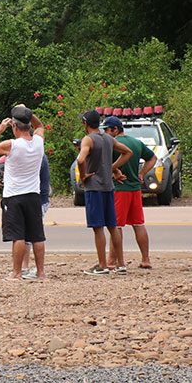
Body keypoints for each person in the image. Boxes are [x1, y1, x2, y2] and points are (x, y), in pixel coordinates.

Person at [0, 106, 47, 281]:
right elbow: (40, 126)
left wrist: (0, 129)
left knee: (18, 236)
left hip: (14, 196)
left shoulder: (11, 145)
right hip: (33, 194)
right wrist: (27, 113)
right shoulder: (39, 141)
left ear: (15, 126)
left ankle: (17, 273)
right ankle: (41, 272)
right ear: (28, 126)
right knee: (37, 236)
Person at [76, 110, 132, 276]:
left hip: (94, 187)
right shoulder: (108, 138)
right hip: (108, 186)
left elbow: (80, 159)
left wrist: (83, 175)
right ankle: (121, 264)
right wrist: (112, 168)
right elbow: (128, 152)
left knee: (98, 227)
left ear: (86, 123)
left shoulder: (88, 139)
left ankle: (102, 265)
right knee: (113, 226)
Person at [103, 115, 157, 270]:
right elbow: (152, 158)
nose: (105, 133)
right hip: (135, 189)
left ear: (115, 129)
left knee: (116, 226)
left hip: (120, 189)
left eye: (107, 130)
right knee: (138, 224)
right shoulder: (136, 143)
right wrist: (141, 173)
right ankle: (146, 259)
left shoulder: (113, 144)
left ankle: (112, 261)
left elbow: (105, 164)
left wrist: (113, 172)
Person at [21, 155, 50, 279]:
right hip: (39, 199)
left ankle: (27, 268)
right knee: (30, 234)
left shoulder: (37, 156)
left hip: (36, 199)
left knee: (30, 235)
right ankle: (26, 267)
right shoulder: (38, 154)